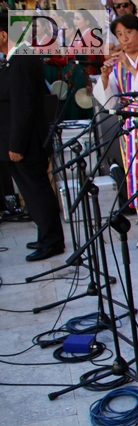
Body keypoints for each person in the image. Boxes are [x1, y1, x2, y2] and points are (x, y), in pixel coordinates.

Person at [92, 12, 138, 247]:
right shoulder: (117, 64)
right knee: (136, 174)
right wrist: (104, 78)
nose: (124, 39)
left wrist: (132, 70)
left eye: (129, 32)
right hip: (129, 126)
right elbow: (110, 101)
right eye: (119, 34)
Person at [0, 10, 65, 261]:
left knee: (37, 190)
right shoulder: (15, 58)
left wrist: (16, 144)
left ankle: (52, 241)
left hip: (25, 143)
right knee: (30, 191)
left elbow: (23, 106)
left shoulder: (23, 60)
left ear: (3, 34)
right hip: (16, 140)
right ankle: (45, 234)